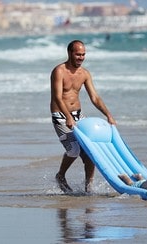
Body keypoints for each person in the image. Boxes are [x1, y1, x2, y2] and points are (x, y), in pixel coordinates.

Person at [51, 40, 117, 193]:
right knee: (73, 150)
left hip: (78, 115)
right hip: (61, 115)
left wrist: (108, 115)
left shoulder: (84, 74)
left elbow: (95, 97)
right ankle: (60, 176)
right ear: (70, 53)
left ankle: (89, 188)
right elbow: (57, 98)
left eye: (83, 54)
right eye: (78, 54)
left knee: (89, 152)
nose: (81, 57)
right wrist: (67, 116)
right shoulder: (59, 71)